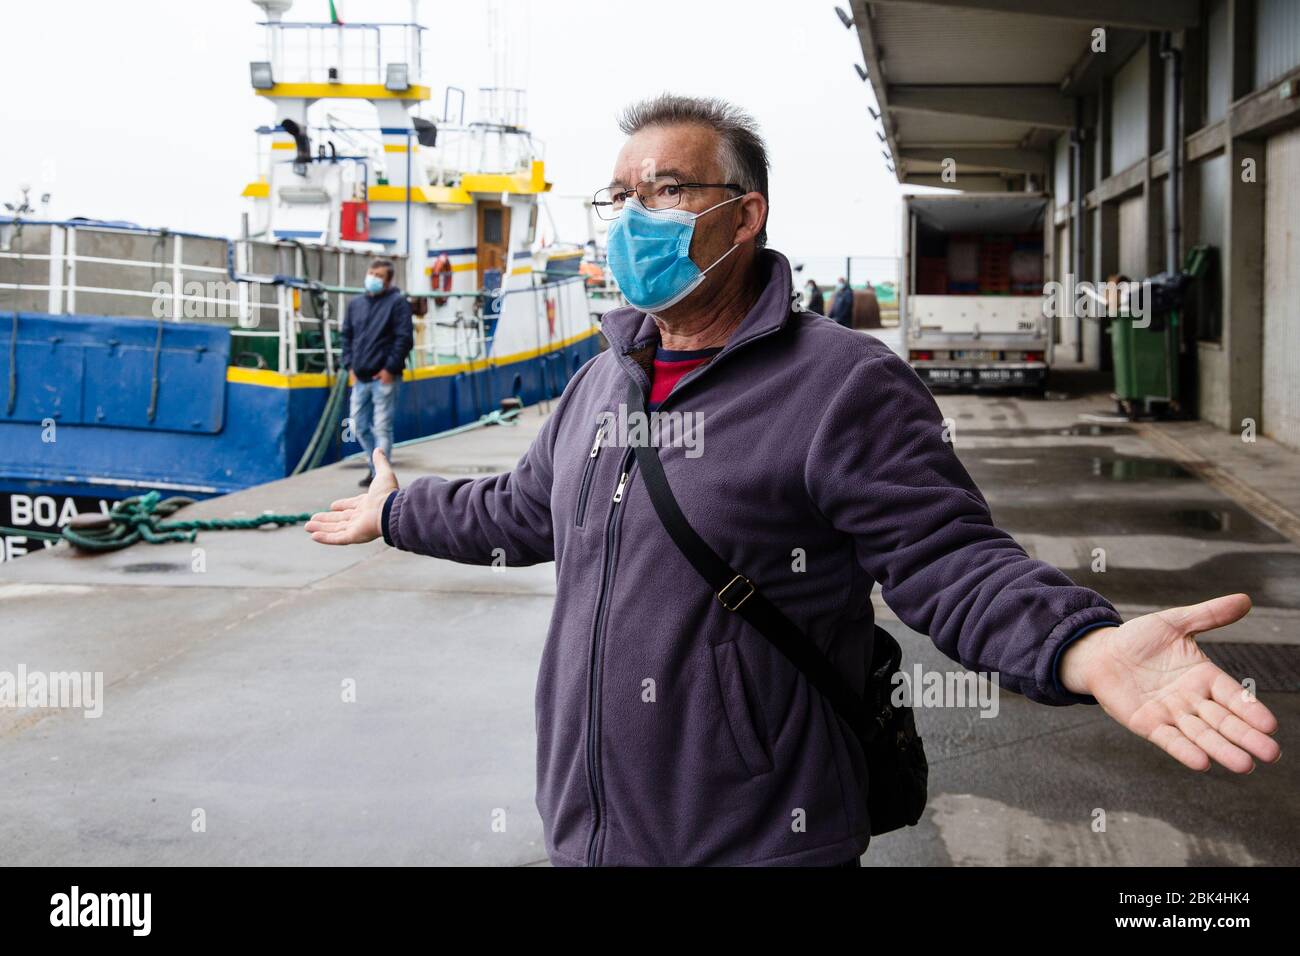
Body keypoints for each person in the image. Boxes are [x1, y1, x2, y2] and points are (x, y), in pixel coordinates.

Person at [307, 94, 1280, 867]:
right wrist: (396, 508)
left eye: (666, 191)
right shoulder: (604, 376)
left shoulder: (842, 383)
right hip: (590, 828)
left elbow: (947, 558)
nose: (630, 221)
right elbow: (520, 510)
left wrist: (1080, 640)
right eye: (618, 198)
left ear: (745, 212)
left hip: (761, 835)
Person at [339, 257, 413, 487]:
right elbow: (346, 336)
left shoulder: (397, 303)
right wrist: (349, 365)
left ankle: (381, 477)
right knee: (358, 425)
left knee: (382, 426)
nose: (373, 278)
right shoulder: (356, 304)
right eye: (372, 273)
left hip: (383, 378)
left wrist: (389, 369)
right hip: (359, 377)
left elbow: (404, 338)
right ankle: (376, 469)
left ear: (389, 281)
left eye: (379, 276)